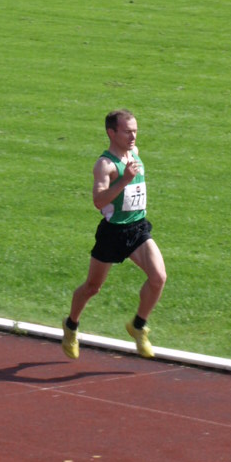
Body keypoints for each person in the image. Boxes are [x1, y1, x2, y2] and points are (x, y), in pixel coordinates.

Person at [62, 110, 167, 362]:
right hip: (113, 232)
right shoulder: (105, 165)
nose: (133, 136)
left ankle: (138, 326)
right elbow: (98, 201)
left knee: (158, 278)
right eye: (127, 131)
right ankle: (71, 325)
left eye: (135, 131)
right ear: (112, 133)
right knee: (92, 287)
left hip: (138, 228)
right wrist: (124, 180)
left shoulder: (135, 153)